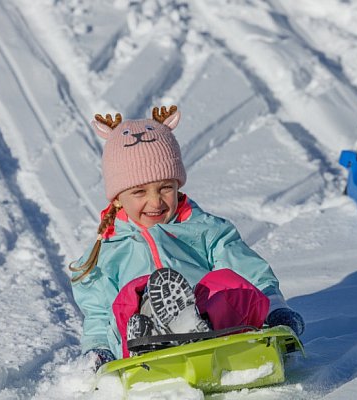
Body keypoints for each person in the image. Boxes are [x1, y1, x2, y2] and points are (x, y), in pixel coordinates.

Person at [70, 106, 305, 371]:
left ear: (177, 185)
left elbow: (250, 271)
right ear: (117, 198)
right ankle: (153, 331)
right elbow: (99, 314)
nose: (155, 202)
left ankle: (193, 326)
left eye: (165, 188)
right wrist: (98, 350)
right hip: (138, 342)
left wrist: (275, 310)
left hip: (214, 324)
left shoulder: (205, 229)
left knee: (227, 283)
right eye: (139, 192)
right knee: (130, 296)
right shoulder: (108, 250)